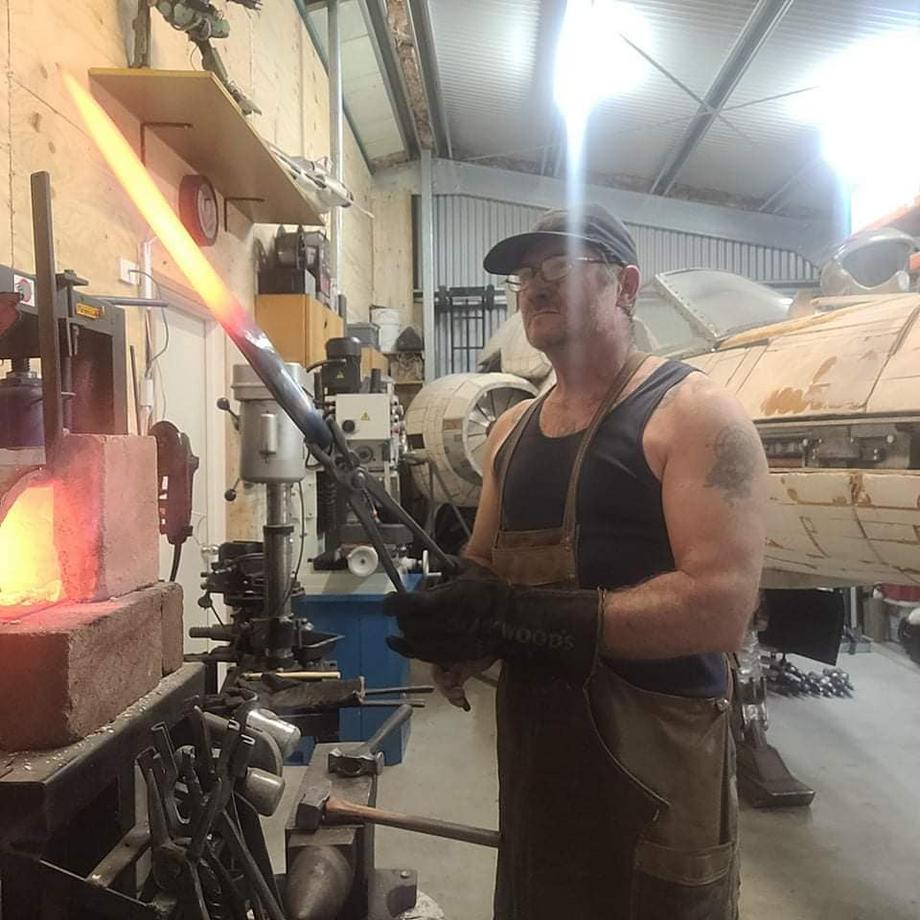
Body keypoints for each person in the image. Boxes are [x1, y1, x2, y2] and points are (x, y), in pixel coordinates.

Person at [385, 205, 768, 920]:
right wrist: (461, 623)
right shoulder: (510, 431)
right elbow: (486, 563)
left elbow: (720, 607)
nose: (535, 285)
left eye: (560, 266)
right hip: (540, 767)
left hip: (657, 780)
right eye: (526, 274)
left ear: (626, 286)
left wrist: (515, 617)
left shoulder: (695, 414)